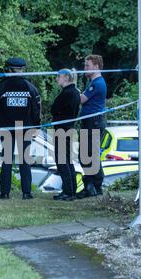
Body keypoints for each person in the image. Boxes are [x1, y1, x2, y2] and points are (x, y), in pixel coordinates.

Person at [0, 57, 41, 200]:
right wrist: (36, 125)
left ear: (8, 69)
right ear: (23, 69)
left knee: (7, 159)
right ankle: (26, 192)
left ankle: (5, 193)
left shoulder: (2, 86)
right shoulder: (29, 86)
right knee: (25, 159)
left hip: (6, 127)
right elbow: (36, 107)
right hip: (25, 128)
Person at [77, 54, 107, 199]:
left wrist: (72, 86)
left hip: (93, 123)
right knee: (88, 155)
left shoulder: (97, 83)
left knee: (88, 155)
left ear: (96, 66)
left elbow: (81, 99)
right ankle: (93, 186)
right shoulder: (93, 83)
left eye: (87, 66)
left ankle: (94, 185)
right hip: (90, 122)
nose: (85, 68)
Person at [51, 69, 80, 201]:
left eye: (59, 76)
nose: (57, 79)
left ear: (66, 78)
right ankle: (71, 190)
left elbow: (54, 109)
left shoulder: (67, 93)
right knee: (67, 160)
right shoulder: (74, 92)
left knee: (62, 161)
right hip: (68, 129)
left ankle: (68, 192)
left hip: (62, 130)